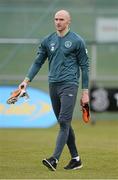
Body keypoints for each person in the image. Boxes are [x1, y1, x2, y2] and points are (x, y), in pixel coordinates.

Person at [19, 9, 89, 171]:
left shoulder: (77, 41)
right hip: (53, 85)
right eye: (56, 19)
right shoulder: (47, 40)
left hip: (69, 85)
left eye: (62, 19)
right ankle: (76, 159)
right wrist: (26, 81)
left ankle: (54, 159)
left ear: (68, 21)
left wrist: (85, 92)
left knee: (64, 122)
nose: (58, 22)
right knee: (64, 123)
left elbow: (85, 67)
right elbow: (38, 62)